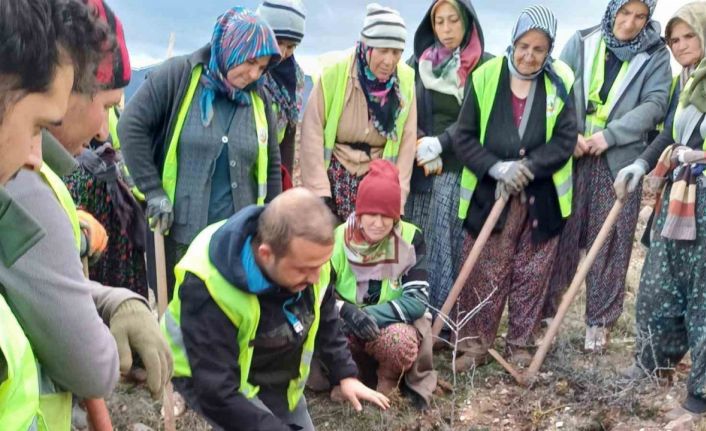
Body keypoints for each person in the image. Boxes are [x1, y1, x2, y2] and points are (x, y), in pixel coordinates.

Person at [0, 0, 168, 427]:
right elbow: (87, 362)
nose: (36, 158)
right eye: (38, 126)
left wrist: (112, 301)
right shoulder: (22, 187)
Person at [162, 188, 390, 431]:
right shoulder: (208, 285)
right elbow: (218, 391)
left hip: (273, 368)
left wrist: (344, 373)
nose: (315, 277)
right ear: (266, 254)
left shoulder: (309, 258)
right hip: (211, 374)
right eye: (304, 270)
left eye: (320, 265)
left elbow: (325, 312)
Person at [119, 7, 283, 296]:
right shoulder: (179, 76)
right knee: (178, 320)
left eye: (262, 68)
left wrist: (272, 224)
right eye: (251, 62)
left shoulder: (259, 99)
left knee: (228, 321)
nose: (254, 74)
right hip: (180, 236)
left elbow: (271, 168)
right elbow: (131, 127)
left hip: (236, 242)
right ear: (232, 48)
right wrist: (152, 190)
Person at [451, 5, 577, 370]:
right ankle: (475, 344)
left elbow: (566, 137)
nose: (529, 55)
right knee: (486, 270)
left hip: (542, 198)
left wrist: (530, 167)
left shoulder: (560, 80)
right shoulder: (486, 75)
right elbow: (464, 137)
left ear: (549, 51)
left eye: (539, 49)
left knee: (532, 272)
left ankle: (520, 343)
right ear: (513, 40)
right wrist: (497, 167)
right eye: (524, 45)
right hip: (492, 194)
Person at [544, 0, 671, 352]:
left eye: (640, 16)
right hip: (573, 154)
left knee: (610, 242)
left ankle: (598, 324)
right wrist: (569, 135)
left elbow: (656, 103)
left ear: (649, 18)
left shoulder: (655, 54)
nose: (629, 23)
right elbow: (557, 88)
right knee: (562, 236)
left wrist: (609, 136)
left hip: (618, 160)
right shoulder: (582, 41)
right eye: (624, 12)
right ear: (611, 9)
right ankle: (546, 318)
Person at [612, 4, 706, 422]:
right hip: (679, 197)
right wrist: (640, 164)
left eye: (690, 36)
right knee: (658, 282)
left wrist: (700, 153)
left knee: (704, 296)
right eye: (675, 40)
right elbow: (668, 132)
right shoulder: (685, 83)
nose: (682, 46)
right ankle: (653, 363)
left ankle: (700, 396)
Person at [329, 160, 436, 409]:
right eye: (371, 214)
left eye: (386, 215)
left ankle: (387, 380)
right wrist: (348, 312)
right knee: (324, 328)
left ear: (395, 215)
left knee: (399, 341)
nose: (378, 223)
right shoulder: (338, 238)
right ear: (359, 212)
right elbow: (318, 294)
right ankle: (347, 379)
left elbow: (417, 300)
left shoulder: (411, 238)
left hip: (390, 324)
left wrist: (367, 315)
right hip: (347, 320)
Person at [300, 3, 417, 221]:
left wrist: (397, 200)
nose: (389, 61)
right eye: (383, 51)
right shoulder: (334, 74)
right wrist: (319, 193)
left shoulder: (406, 82)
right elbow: (312, 133)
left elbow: (407, 145)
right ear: (367, 46)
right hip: (335, 175)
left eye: (396, 52)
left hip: (377, 180)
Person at [405, 0, 487, 310]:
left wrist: (442, 142)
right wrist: (422, 140)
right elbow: (406, 109)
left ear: (467, 22)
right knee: (418, 238)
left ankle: (442, 317)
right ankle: (416, 312)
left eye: (454, 20)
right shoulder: (418, 63)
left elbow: (477, 116)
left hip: (460, 168)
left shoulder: (484, 66)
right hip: (422, 166)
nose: (446, 29)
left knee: (448, 243)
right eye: (439, 22)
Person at [257, 0, 307, 189]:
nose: (283, 52)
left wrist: (285, 183)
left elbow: (288, 135)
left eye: (292, 46)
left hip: (273, 166)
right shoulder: (249, 73)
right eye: (278, 42)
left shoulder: (296, 79)